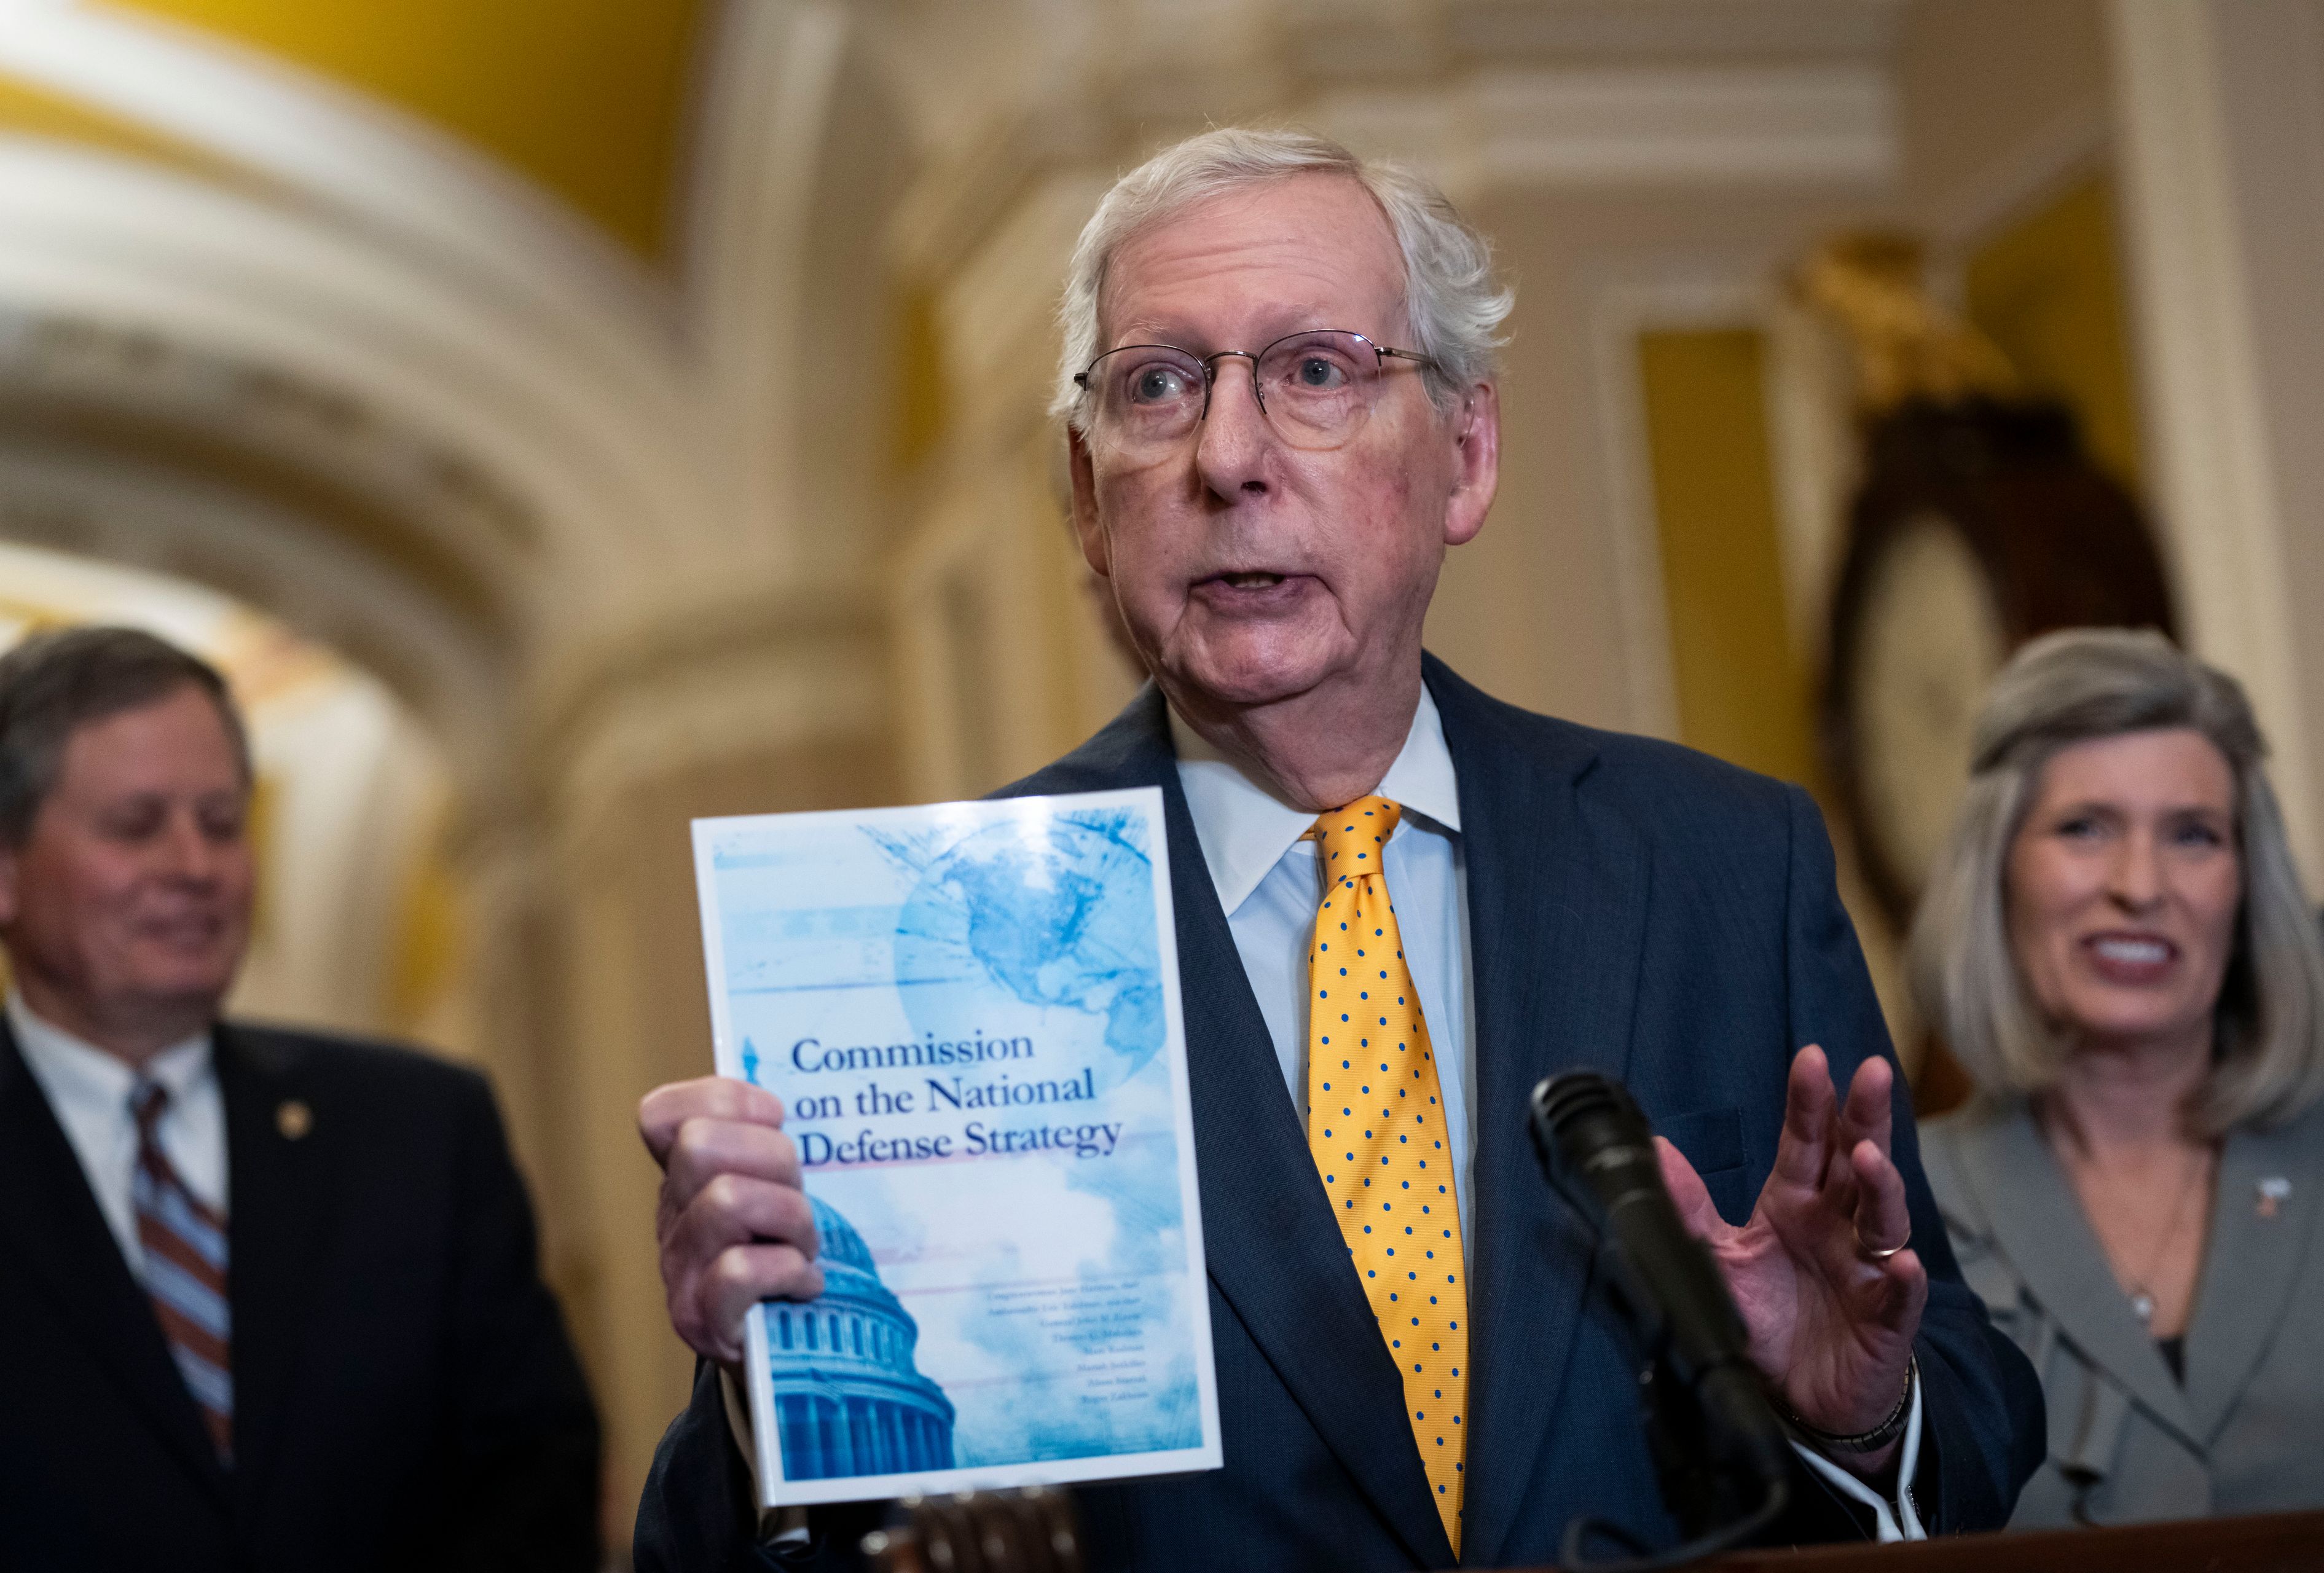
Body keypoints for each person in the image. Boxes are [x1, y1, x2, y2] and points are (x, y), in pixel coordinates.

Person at [632, 128, 2041, 1572]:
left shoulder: (1724, 867)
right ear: (1084, 488)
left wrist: (1861, 1419)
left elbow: (1973, 1420)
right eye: (1159, 385)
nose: (1229, 459)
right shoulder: (935, 939)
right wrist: (765, 1391)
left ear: (1466, 455)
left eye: (1315, 371)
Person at [0, 626, 602, 1572]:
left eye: (222, 820)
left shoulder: (422, 1133)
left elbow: (538, 1480)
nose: (196, 866)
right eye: (136, 823)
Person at [1911, 629, 2324, 1527]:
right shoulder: (1899, 1198)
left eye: (2193, 836)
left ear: (2246, 888)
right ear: (1998, 875)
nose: (2141, 885)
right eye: (2085, 828)